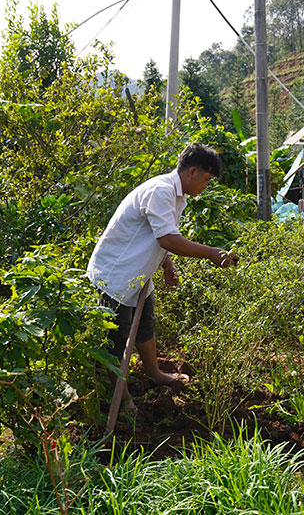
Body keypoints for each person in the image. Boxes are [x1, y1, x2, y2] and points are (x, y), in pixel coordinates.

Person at [87, 143, 238, 413]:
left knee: (145, 325)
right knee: (116, 340)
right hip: (116, 274)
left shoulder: (176, 194)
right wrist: (212, 253)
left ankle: (154, 373)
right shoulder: (161, 191)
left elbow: (158, 233)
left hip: (138, 272)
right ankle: (120, 399)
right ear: (192, 171)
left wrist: (166, 263)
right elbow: (168, 238)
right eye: (206, 179)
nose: (206, 186)